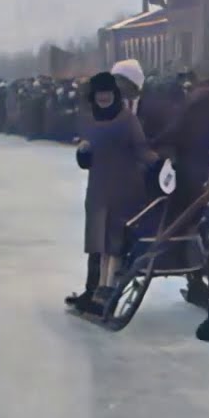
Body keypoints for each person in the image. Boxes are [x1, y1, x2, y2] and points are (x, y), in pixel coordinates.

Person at [66, 72, 161, 315]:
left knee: (114, 244)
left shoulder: (127, 119)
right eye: (100, 94)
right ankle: (93, 290)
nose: (104, 98)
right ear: (94, 97)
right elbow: (85, 158)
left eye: (108, 93)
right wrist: (83, 155)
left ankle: (106, 292)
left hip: (125, 188)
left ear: (114, 95)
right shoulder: (89, 121)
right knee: (97, 242)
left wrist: (159, 165)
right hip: (98, 189)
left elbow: (142, 149)